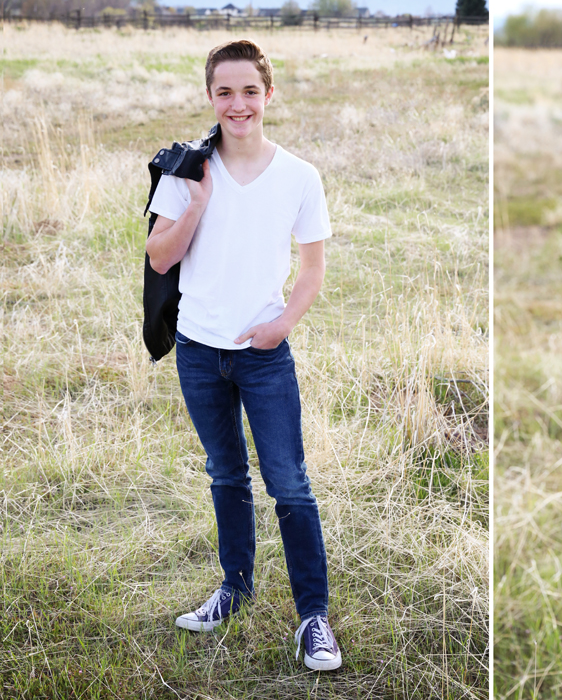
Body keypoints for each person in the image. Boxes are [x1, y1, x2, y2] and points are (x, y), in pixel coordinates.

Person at [146, 39, 341, 671]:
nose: (238, 104)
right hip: (199, 352)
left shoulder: (299, 176)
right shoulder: (186, 170)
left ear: (268, 95)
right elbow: (159, 257)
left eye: (249, 91)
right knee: (226, 475)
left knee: (289, 483)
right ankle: (234, 588)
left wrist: (282, 324)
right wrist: (197, 201)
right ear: (210, 97)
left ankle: (313, 617)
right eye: (225, 92)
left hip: (263, 357)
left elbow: (312, 269)